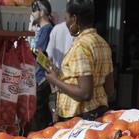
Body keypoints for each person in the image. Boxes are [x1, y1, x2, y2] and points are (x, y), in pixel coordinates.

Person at [45, 0, 114, 122]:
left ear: (74, 19)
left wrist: (55, 81)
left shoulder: (81, 46)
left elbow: (86, 93)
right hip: (100, 112)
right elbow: (109, 90)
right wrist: (63, 77)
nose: (66, 23)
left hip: (78, 118)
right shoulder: (103, 43)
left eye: (66, 18)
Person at [31, 0, 54, 131]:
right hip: (41, 75)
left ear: (42, 12)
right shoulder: (46, 29)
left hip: (41, 76)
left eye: (34, 10)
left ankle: (44, 134)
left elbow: (41, 54)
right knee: (41, 109)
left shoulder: (47, 29)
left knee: (39, 109)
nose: (32, 13)